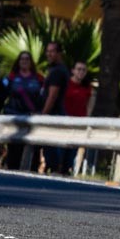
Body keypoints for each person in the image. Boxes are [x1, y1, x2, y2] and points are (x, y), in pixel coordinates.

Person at [2, 51, 44, 170]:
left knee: (33, 146)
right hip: (14, 116)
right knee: (14, 146)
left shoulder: (39, 78)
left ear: (31, 62)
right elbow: (1, 93)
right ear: (18, 61)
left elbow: (44, 96)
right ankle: (12, 169)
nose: (24, 61)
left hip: (32, 116)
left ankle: (33, 169)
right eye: (22, 59)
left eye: (27, 59)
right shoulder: (11, 77)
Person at [40, 41, 71, 174]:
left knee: (52, 147)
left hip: (54, 114)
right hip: (56, 113)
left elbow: (52, 96)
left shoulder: (58, 71)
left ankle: (56, 169)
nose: (49, 54)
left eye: (52, 51)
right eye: (48, 51)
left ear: (59, 53)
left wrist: (44, 114)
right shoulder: (56, 70)